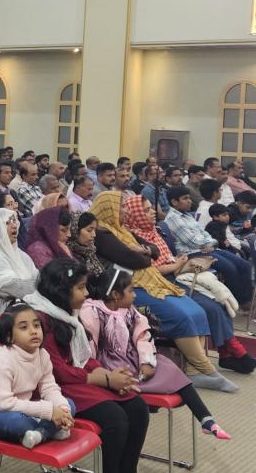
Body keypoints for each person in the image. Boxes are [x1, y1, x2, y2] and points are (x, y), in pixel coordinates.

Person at [25, 259, 150, 473]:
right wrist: (105, 380)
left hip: (74, 381)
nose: (86, 293)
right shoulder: (39, 319)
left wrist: (108, 374)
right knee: (115, 420)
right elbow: (57, 370)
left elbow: (83, 357)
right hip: (49, 387)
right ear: (61, 290)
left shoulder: (68, 314)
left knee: (138, 409)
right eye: (81, 288)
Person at [81, 268, 230, 440]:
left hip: (134, 359)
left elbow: (143, 337)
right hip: (109, 365)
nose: (134, 295)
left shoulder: (130, 311)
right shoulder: (92, 312)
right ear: (115, 295)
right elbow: (88, 347)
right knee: (127, 388)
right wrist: (99, 374)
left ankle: (206, 420)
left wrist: (147, 362)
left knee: (170, 368)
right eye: (130, 291)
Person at [120, 193, 254, 378]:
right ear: (136, 214)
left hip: (176, 274)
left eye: (151, 208)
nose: (153, 212)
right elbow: (150, 270)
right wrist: (176, 264)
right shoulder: (132, 238)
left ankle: (226, 353)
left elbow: (170, 256)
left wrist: (176, 263)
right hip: (162, 281)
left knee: (220, 301)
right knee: (209, 307)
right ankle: (232, 350)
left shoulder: (153, 231)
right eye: (146, 210)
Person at [0, 303, 74, 448]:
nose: (33, 331)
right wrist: (49, 412)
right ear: (9, 337)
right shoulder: (2, 360)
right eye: (24, 327)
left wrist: (62, 410)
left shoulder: (43, 355)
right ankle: (48, 430)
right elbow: (5, 403)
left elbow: (49, 388)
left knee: (69, 405)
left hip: (19, 407)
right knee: (19, 423)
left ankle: (38, 435)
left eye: (36, 326)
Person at [164, 185, 253, 306]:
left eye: (189, 198)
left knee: (245, 265)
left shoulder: (187, 215)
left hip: (208, 249)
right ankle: (240, 302)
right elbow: (192, 241)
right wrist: (209, 242)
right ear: (174, 202)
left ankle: (247, 299)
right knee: (230, 268)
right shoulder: (173, 218)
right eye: (185, 198)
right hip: (192, 254)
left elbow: (204, 233)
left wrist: (211, 242)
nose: (190, 201)